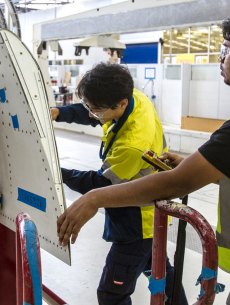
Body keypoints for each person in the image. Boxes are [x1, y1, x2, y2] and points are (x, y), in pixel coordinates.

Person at [57, 9, 230, 305]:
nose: (220, 57)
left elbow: (177, 183)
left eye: (226, 49)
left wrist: (94, 198)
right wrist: (197, 165)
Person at [50, 62, 187, 305]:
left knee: (111, 294)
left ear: (120, 104)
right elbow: (95, 111)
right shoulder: (133, 96)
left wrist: (56, 171)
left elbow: (98, 184)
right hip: (151, 216)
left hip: (135, 221)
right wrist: (60, 113)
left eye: (96, 111)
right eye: (90, 108)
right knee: (163, 277)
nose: (92, 115)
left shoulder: (132, 145)